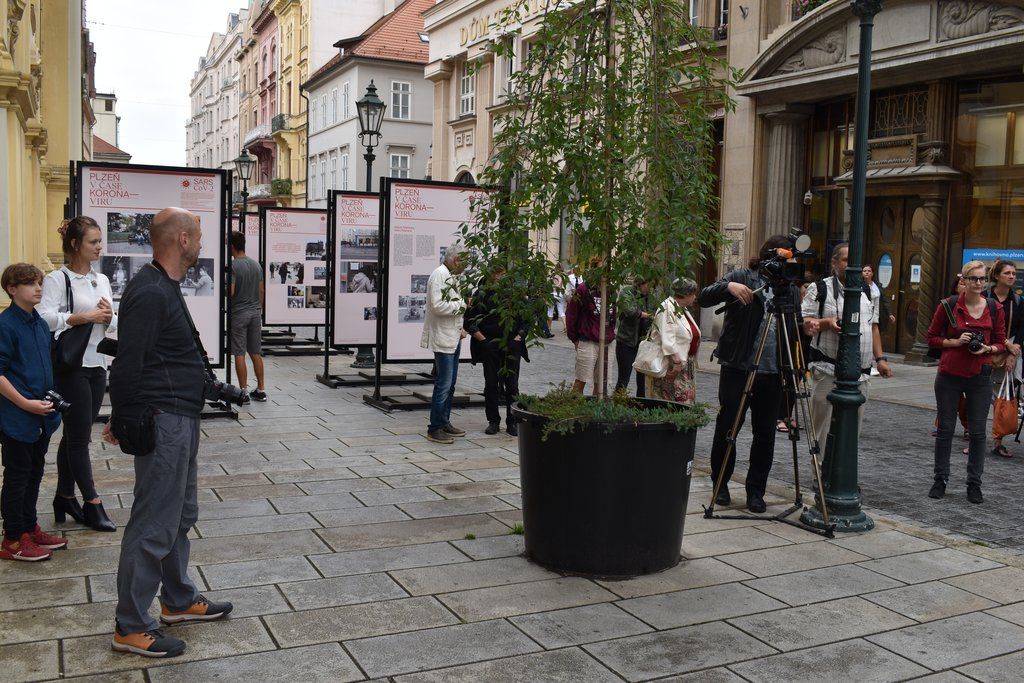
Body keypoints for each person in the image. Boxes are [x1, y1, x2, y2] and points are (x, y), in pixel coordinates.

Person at [105, 207, 232, 658]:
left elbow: (172, 356)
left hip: (182, 416)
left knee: (179, 516)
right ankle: (131, 625)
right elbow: (127, 362)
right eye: (197, 235)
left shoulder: (164, 286)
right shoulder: (150, 292)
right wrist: (123, 419)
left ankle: (177, 600)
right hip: (164, 421)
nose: (201, 243)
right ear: (180, 239)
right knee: (154, 522)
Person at [698, 235, 803, 513]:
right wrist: (729, 286)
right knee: (728, 427)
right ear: (771, 257)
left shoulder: (790, 290)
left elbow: (795, 329)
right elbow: (704, 296)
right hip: (738, 366)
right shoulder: (744, 276)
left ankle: (756, 491)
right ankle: (720, 483)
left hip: (772, 372)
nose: (789, 267)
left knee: (765, 433)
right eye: (786, 260)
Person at [38, 216, 117, 532]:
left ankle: (64, 497)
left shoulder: (103, 280)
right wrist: (81, 317)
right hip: (72, 368)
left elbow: (110, 323)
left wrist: (109, 316)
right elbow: (43, 318)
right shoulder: (59, 278)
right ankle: (92, 502)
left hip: (98, 365)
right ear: (75, 244)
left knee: (73, 435)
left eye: (100, 241)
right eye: (93, 242)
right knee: (80, 438)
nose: (99, 246)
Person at [801, 243, 893, 462]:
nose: (853, 266)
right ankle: (821, 472)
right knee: (822, 424)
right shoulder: (820, 288)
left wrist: (880, 359)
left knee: (853, 426)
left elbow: (874, 326)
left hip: (860, 372)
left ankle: (843, 469)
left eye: (856, 262)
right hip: (828, 368)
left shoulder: (869, 290)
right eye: (846, 260)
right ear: (834, 263)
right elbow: (805, 322)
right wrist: (826, 323)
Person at [0, 263, 66, 561]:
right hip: (17, 416)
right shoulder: (6, 325)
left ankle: (29, 527)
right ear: (12, 289)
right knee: (17, 477)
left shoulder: (38, 323)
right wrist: (25, 404)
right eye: (30, 283)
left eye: (39, 282)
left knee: (34, 473)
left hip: (41, 415)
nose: (38, 288)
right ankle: (12, 539)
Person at [927, 260, 1006, 504]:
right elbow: (931, 338)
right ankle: (940, 479)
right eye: (974, 279)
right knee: (946, 430)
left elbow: (1001, 343)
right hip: (950, 374)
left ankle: (974, 484)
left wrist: (987, 347)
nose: (979, 283)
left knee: (979, 432)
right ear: (964, 280)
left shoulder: (994, 308)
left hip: (979, 376)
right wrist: (955, 342)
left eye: (983, 279)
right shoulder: (948, 305)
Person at [466, 266, 529, 436]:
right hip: (490, 345)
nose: (498, 276)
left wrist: (518, 338)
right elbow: (469, 321)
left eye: (501, 273)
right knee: (491, 384)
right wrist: (483, 341)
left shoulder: (515, 295)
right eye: (495, 273)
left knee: (512, 385)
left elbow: (526, 319)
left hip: (512, 345)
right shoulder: (481, 294)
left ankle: (513, 421)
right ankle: (493, 421)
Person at [421, 246, 467, 445]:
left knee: (450, 384)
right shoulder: (440, 275)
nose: (465, 266)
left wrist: (460, 327)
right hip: (443, 338)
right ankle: (435, 427)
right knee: (444, 384)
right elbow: (438, 305)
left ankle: (444, 421)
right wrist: (463, 306)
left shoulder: (449, 275)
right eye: (463, 262)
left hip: (452, 336)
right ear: (455, 259)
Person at [984, 259, 1024, 458]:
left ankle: (997, 441)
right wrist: (1005, 343)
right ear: (997, 276)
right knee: (981, 397)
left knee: (1002, 397)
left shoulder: (1017, 300)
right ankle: (975, 439)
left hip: (1008, 354)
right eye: (1007, 273)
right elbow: (981, 326)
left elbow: (1021, 328)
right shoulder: (985, 297)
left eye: (1014, 273)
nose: (1011, 276)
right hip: (985, 351)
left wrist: (1012, 352)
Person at [645, 277, 700, 405]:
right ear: (686, 294)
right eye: (693, 294)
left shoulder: (681, 308)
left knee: (684, 404)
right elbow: (667, 338)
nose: (695, 297)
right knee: (673, 404)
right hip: (672, 367)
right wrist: (676, 362)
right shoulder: (667, 308)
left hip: (684, 366)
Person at [565, 260, 616, 396]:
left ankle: (595, 413)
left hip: (607, 342)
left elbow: (614, 314)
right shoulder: (583, 289)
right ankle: (574, 409)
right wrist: (575, 339)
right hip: (588, 340)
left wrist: (611, 332)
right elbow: (571, 314)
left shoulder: (611, 290)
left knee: (601, 384)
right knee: (582, 379)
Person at [229, 231, 266, 403]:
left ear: (232, 247)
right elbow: (261, 291)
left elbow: (231, 291)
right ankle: (260, 389)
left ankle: (243, 392)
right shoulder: (256, 265)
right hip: (255, 312)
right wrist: (259, 309)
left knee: (239, 352)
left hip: (239, 313)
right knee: (255, 352)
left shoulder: (234, 266)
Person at [615, 277, 654, 397]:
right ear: (642, 283)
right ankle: (617, 406)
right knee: (623, 379)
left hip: (643, 344)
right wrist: (648, 315)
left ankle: (640, 406)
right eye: (649, 285)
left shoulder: (650, 296)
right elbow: (630, 312)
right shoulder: (627, 292)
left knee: (642, 381)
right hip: (627, 342)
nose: (651, 288)